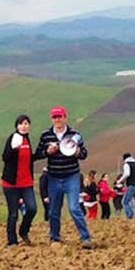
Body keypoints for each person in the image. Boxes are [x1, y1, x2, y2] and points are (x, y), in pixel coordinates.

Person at [35, 106, 93, 248]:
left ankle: (85, 237)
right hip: (53, 176)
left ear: (65, 117)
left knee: (74, 208)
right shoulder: (46, 135)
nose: (57, 120)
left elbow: (84, 154)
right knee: (54, 210)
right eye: (55, 117)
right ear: (51, 119)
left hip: (71, 176)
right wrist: (48, 151)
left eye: (60, 116)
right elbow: (38, 153)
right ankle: (54, 237)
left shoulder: (75, 134)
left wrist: (77, 152)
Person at [1, 114, 37, 246]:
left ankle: (23, 230)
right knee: (13, 213)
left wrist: (45, 153)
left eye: (26, 123)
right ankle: (12, 241)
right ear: (17, 126)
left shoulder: (27, 140)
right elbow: (5, 157)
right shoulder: (13, 138)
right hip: (11, 183)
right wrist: (14, 150)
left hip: (26, 182)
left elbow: (29, 158)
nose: (24, 126)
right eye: (21, 124)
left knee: (32, 208)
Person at [116, 152, 135, 220]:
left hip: (132, 185)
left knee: (125, 201)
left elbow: (127, 174)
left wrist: (119, 181)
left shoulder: (127, 165)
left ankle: (130, 215)